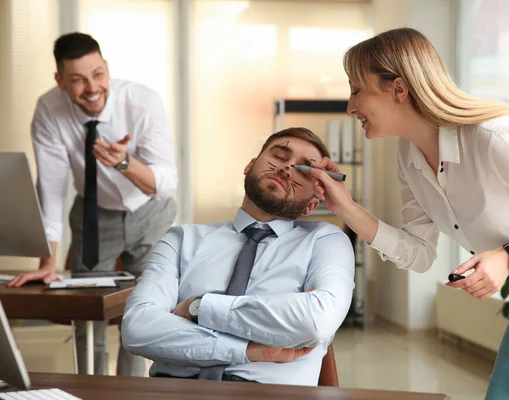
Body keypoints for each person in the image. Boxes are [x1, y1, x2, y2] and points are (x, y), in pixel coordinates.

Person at [307, 27, 509, 399]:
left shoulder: (494, 137)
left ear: (398, 88)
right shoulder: (408, 155)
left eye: (355, 89)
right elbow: (419, 252)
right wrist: (344, 207)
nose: (350, 107)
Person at [121, 127, 354, 386]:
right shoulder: (181, 239)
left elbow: (315, 322)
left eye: (303, 169)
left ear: (311, 205)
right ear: (250, 166)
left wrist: (199, 307)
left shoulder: (325, 241)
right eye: (279, 155)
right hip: (175, 390)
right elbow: (137, 328)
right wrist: (250, 350)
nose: (287, 168)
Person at [7, 32, 178, 377]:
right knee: (88, 314)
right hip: (93, 216)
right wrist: (47, 261)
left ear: (107, 68)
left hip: (150, 213)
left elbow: (165, 184)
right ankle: (91, 390)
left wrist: (124, 164)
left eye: (98, 74)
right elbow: (51, 188)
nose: (92, 87)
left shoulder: (142, 102)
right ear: (59, 81)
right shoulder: (49, 109)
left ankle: (132, 392)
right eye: (78, 79)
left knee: (141, 313)